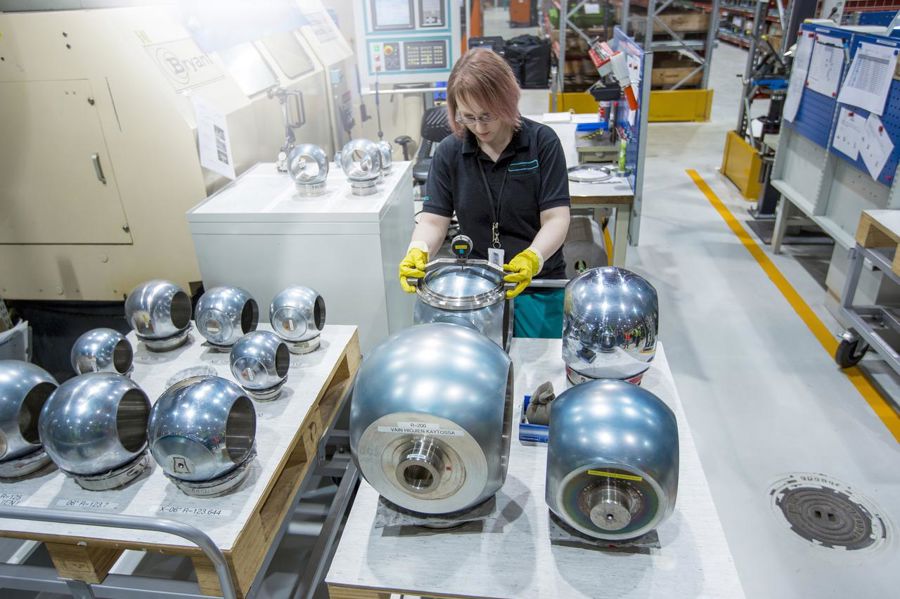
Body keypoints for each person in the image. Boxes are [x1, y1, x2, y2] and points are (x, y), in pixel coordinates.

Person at [398, 48, 571, 337]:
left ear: (508, 101)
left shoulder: (541, 143)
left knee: (537, 371)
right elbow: (433, 221)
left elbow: (556, 218)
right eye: (468, 117)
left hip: (538, 284)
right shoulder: (451, 152)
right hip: (477, 287)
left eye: (487, 116)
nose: (479, 127)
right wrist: (418, 250)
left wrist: (533, 258)